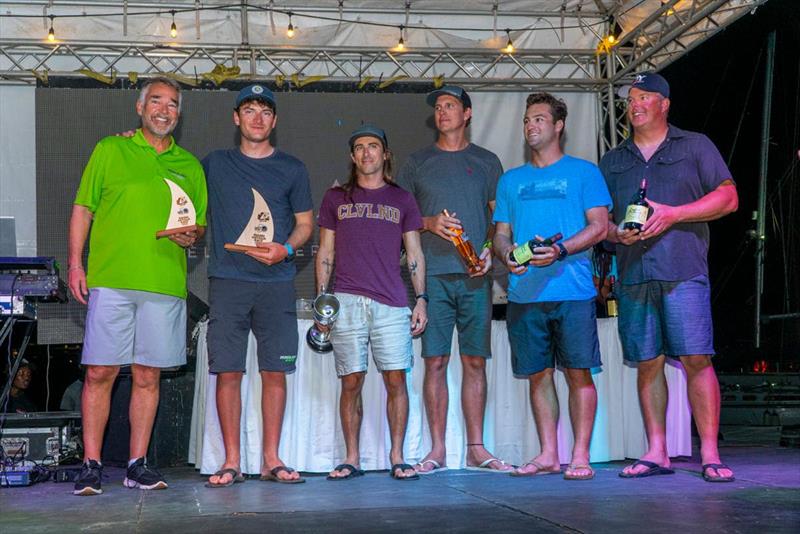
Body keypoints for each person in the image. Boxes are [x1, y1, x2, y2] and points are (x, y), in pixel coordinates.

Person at [68, 77, 207, 496]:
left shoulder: (190, 165)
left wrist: (191, 236)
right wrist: (76, 263)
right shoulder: (110, 149)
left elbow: (196, 225)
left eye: (173, 104)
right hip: (110, 280)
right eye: (156, 101)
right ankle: (91, 464)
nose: (164, 110)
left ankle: (136, 464)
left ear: (179, 114)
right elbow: (83, 209)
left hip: (164, 284)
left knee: (148, 376)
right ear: (140, 106)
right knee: (100, 372)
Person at [600, 72, 738, 483]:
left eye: (645, 97)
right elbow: (600, 222)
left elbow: (729, 198)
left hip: (683, 271)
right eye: (631, 99)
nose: (635, 104)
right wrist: (615, 233)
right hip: (634, 275)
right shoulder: (613, 160)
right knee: (647, 363)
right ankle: (657, 450)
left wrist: (675, 213)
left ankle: (709, 453)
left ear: (665, 104)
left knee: (696, 359)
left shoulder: (695, 145)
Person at [493, 92, 610, 480]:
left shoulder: (584, 172)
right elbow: (501, 235)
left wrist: (560, 250)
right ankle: (548, 454)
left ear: (558, 125)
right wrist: (508, 255)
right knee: (538, 374)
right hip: (525, 294)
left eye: (540, 119)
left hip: (573, 291)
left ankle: (580, 455)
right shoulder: (511, 180)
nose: (531, 125)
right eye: (527, 119)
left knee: (579, 373)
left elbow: (600, 226)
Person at [203, 85, 313, 488]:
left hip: (277, 283)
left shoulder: (293, 168)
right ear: (236, 118)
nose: (257, 118)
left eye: (265, 112)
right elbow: (173, 175)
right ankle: (231, 460)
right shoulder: (213, 164)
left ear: (275, 121)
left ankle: (270, 458)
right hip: (228, 281)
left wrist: (286, 249)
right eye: (248, 110)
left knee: (274, 372)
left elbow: (305, 224)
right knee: (228, 371)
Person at [396, 85, 509, 474]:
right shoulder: (416, 162)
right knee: (435, 362)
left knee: (475, 361)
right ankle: (438, 449)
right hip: (433, 277)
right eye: (438, 107)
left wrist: (488, 251)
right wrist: (430, 222)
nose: (442, 112)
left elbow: (501, 221)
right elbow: (402, 218)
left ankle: (477, 448)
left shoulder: (487, 161)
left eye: (450, 106)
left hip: (475, 276)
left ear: (468, 113)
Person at [316, 125, 427, 481]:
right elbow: (326, 253)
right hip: (346, 301)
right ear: (353, 156)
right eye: (360, 147)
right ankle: (352, 458)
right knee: (351, 382)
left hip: (392, 303)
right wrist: (323, 303)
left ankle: (398, 456)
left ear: (385, 153)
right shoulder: (336, 198)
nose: (367, 153)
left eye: (374, 146)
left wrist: (421, 299)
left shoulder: (402, 199)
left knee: (397, 380)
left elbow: (415, 254)